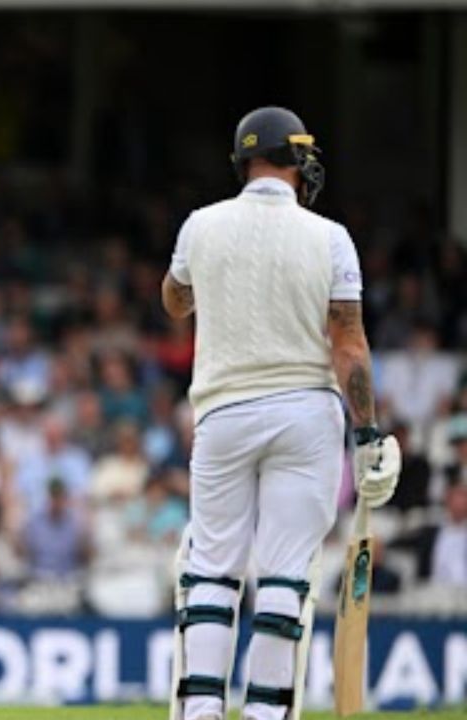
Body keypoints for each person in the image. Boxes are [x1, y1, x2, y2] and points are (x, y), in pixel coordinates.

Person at [161, 107, 401, 720]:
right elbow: (349, 343)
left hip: (223, 413)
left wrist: (210, 276)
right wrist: (368, 433)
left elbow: (175, 302)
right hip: (305, 414)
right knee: (284, 574)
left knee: (212, 570)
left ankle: (201, 708)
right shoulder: (330, 237)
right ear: (295, 159)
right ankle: (266, 713)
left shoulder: (201, 226)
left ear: (243, 162)